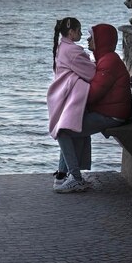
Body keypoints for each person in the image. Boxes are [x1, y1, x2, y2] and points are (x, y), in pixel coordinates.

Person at [53, 23, 132, 193]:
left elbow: (93, 93)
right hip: (109, 111)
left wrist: (70, 99)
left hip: (111, 115)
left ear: (101, 40)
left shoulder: (109, 62)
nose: (88, 39)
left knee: (62, 131)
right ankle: (64, 176)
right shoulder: (106, 59)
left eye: (92, 37)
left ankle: (74, 177)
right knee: (70, 125)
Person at [46, 17, 96, 188]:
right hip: (69, 99)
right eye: (79, 30)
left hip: (61, 97)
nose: (81, 34)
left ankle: (62, 175)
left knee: (66, 131)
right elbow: (91, 72)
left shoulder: (62, 47)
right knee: (68, 132)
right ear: (71, 32)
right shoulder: (73, 51)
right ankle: (74, 177)